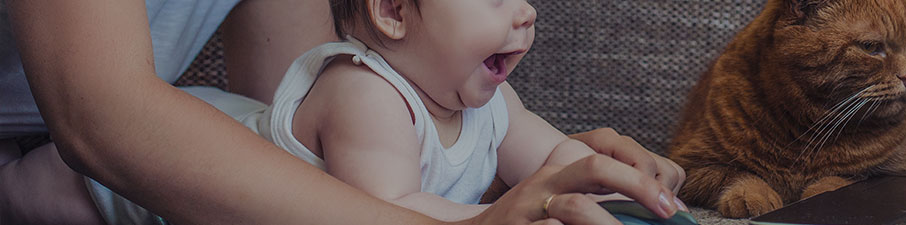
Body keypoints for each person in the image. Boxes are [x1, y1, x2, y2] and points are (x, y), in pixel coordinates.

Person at [1, 0, 683, 224]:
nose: (526, 11)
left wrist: (607, 179)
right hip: (87, 165)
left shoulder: (484, 98)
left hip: (210, 134)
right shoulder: (366, 99)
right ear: (392, 11)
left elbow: (545, 157)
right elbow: (104, 120)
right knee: (36, 190)